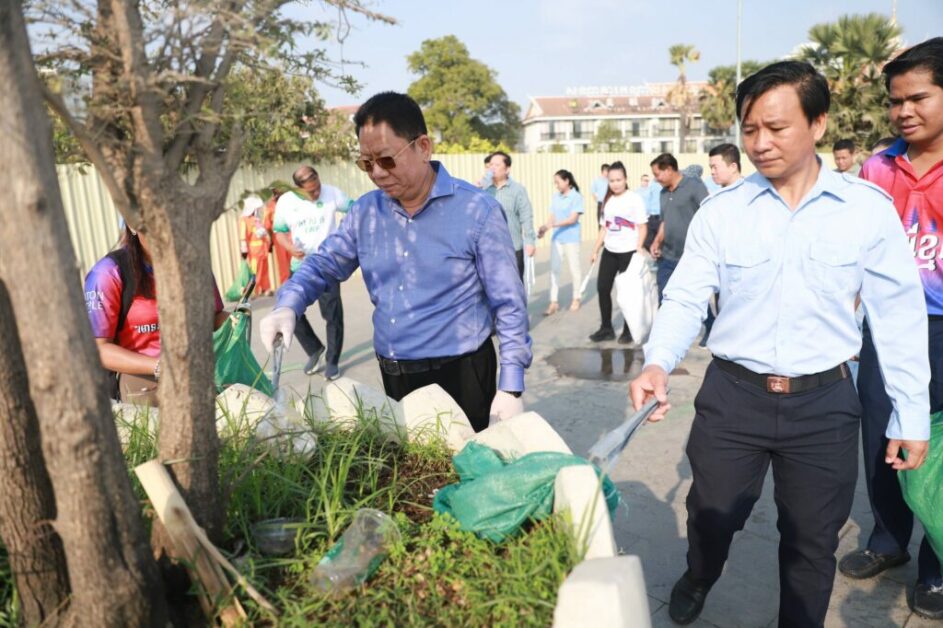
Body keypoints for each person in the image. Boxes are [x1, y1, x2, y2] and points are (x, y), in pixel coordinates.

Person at [628, 60, 930, 627]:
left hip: (824, 404)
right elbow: (686, 297)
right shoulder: (723, 213)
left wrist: (910, 413)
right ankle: (700, 573)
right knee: (711, 517)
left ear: (818, 123)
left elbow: (898, 318)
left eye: (776, 127)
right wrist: (657, 362)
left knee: (812, 543)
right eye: (749, 129)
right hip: (733, 397)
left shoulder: (866, 211)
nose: (760, 143)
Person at [259, 91, 532, 432]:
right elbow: (323, 264)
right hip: (395, 373)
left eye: (387, 160)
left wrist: (510, 386)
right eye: (366, 163)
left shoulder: (477, 211)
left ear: (423, 147)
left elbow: (509, 303)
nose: (377, 173)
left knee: (467, 461)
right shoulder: (366, 213)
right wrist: (288, 304)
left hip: (462, 374)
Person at [837, 37, 943, 620]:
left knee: (939, 449)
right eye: (895, 100)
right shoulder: (876, 169)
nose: (904, 110)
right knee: (883, 438)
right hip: (886, 330)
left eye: (918, 97)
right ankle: (887, 539)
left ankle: (937, 565)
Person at [84, 225, 227, 407]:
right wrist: (160, 366)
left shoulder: (194, 264)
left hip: (199, 367)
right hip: (143, 375)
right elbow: (99, 349)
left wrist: (237, 319)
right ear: (133, 225)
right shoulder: (107, 273)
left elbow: (212, 318)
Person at [272, 166, 352, 380]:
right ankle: (314, 349)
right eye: (311, 191)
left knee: (332, 315)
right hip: (301, 266)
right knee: (290, 310)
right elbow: (279, 233)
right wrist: (290, 248)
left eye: (318, 188)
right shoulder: (286, 202)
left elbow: (355, 210)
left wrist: (343, 235)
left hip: (328, 264)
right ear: (298, 188)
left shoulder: (332, 193)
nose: (317, 193)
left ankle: (332, 361)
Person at [588, 161, 648, 343]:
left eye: (618, 180)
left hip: (628, 252)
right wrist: (595, 250)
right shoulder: (608, 201)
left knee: (627, 293)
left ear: (626, 179)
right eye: (612, 180)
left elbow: (642, 227)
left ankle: (628, 330)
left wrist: (639, 247)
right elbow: (604, 228)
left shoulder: (634, 199)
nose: (615, 184)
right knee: (603, 288)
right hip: (610, 251)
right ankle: (606, 328)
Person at [649, 153, 708, 302]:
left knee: (696, 302)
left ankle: (709, 319)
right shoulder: (663, 193)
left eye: (657, 174)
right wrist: (657, 241)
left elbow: (709, 218)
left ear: (669, 169)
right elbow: (664, 221)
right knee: (665, 299)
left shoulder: (694, 186)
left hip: (691, 258)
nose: (655, 179)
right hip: (667, 258)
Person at [538, 169, 585, 315]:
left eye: (557, 182)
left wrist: (553, 225)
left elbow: (573, 219)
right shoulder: (556, 197)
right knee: (554, 269)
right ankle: (553, 302)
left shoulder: (576, 197)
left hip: (571, 239)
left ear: (566, 181)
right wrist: (545, 228)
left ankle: (576, 298)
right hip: (557, 239)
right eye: (555, 183)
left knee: (574, 269)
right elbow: (552, 217)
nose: (556, 185)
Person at [484, 151, 536, 281]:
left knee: (514, 285)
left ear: (507, 169)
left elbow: (526, 216)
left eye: (497, 165)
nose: (492, 168)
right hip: (489, 248)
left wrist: (530, 241)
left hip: (512, 248)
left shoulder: (517, 190)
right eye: (491, 165)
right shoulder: (483, 190)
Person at [239, 195, 272, 296]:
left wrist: (268, 241)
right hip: (254, 251)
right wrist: (244, 250)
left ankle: (265, 288)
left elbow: (263, 233)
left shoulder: (257, 220)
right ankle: (253, 290)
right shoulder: (244, 220)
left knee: (264, 269)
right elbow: (243, 236)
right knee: (255, 270)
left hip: (263, 249)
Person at [263, 187, 292, 286]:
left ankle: (292, 286)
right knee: (286, 265)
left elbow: (267, 226)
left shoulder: (288, 203)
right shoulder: (271, 207)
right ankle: (287, 287)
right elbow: (267, 226)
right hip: (281, 238)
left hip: (288, 237)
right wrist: (271, 240)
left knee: (290, 264)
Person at [639, 173, 662, 251]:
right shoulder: (638, 191)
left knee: (656, 238)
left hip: (656, 216)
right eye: (644, 180)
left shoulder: (654, 187)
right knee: (648, 240)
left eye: (647, 181)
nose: (646, 182)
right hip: (648, 216)